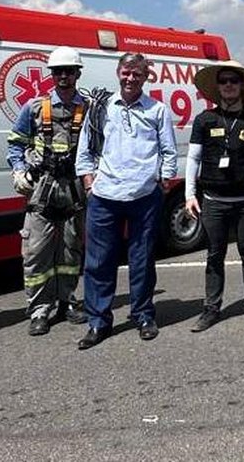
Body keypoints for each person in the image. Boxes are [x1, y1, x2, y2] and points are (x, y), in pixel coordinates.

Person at [73, 52, 178, 349]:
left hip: (144, 197)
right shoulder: (101, 107)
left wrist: (164, 180)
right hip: (104, 196)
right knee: (98, 262)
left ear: (146, 78)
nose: (131, 78)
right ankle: (98, 322)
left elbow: (168, 150)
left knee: (142, 259)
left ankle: (143, 315)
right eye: (127, 72)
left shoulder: (157, 109)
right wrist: (89, 182)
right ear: (118, 73)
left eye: (138, 74)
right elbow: (86, 147)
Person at [186, 59, 244, 332]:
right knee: (214, 255)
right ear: (217, 86)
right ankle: (211, 309)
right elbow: (193, 158)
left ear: (241, 86)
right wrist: (190, 194)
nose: (228, 85)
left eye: (233, 81)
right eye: (223, 81)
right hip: (213, 201)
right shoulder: (205, 120)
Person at [6, 47, 89, 336]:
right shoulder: (33, 107)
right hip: (42, 187)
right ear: (51, 75)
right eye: (58, 71)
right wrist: (18, 170)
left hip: (75, 188)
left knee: (71, 248)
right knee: (36, 253)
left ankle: (67, 301)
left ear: (78, 73)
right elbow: (16, 143)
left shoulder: (89, 108)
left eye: (69, 71)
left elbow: (101, 145)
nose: (63, 76)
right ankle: (40, 309)